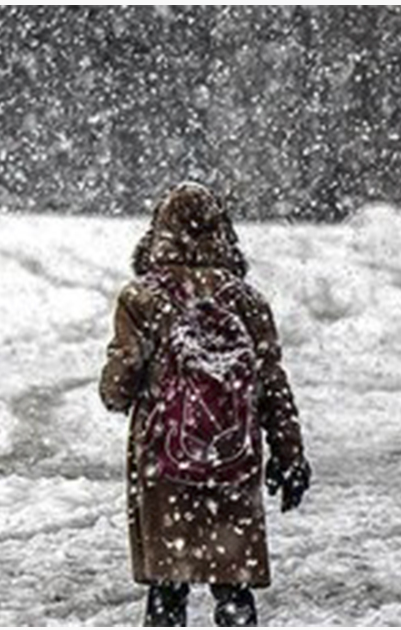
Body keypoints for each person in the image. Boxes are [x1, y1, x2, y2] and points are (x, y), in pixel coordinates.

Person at [100, 182, 311, 626]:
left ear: (159, 233)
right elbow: (272, 384)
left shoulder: (142, 299)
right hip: (233, 458)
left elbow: (120, 383)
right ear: (223, 233)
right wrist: (289, 454)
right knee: (232, 580)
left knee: (168, 585)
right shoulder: (247, 302)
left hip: (165, 458)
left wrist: (117, 390)